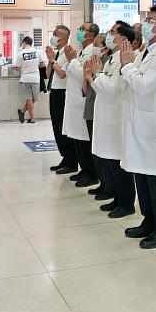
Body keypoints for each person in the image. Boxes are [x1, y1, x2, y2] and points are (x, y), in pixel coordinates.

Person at [120, 5, 156, 249]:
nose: (144, 23)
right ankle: (149, 220)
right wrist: (131, 64)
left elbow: (143, 85)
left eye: (150, 20)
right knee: (141, 175)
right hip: (141, 124)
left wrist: (127, 65)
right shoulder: (147, 51)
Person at [88, 22, 137, 219]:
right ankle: (117, 198)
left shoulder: (123, 61)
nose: (109, 35)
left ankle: (126, 203)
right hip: (105, 115)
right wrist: (96, 76)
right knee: (108, 160)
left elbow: (114, 89)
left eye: (114, 33)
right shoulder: (110, 59)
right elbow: (101, 88)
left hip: (116, 117)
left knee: (118, 163)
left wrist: (97, 74)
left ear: (125, 39)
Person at [63, 23, 101, 188]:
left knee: (84, 138)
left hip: (82, 101)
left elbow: (83, 75)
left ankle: (91, 173)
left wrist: (72, 60)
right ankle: (84, 169)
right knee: (76, 138)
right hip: (73, 101)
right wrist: (72, 60)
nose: (79, 32)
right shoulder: (80, 51)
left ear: (91, 35)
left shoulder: (92, 52)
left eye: (82, 30)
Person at [46, 25, 78, 175]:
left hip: (63, 93)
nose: (52, 37)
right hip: (54, 92)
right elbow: (48, 74)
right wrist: (50, 60)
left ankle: (71, 161)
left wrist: (53, 60)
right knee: (56, 127)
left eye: (55, 35)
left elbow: (62, 74)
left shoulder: (68, 53)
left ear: (63, 39)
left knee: (64, 129)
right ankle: (65, 158)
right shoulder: (57, 53)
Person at [83, 33, 111, 201]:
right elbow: (86, 89)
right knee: (96, 151)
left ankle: (109, 186)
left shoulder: (107, 64)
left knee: (105, 153)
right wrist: (86, 75)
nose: (94, 48)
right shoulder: (95, 63)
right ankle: (103, 184)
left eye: (97, 44)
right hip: (91, 106)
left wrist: (94, 75)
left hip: (101, 110)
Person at [14, 36, 47, 124]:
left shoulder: (21, 53)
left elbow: (17, 68)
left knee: (29, 99)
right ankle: (30, 117)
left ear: (24, 43)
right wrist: (35, 66)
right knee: (34, 99)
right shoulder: (38, 52)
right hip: (36, 78)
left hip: (25, 78)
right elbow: (43, 64)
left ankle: (23, 111)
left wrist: (23, 67)